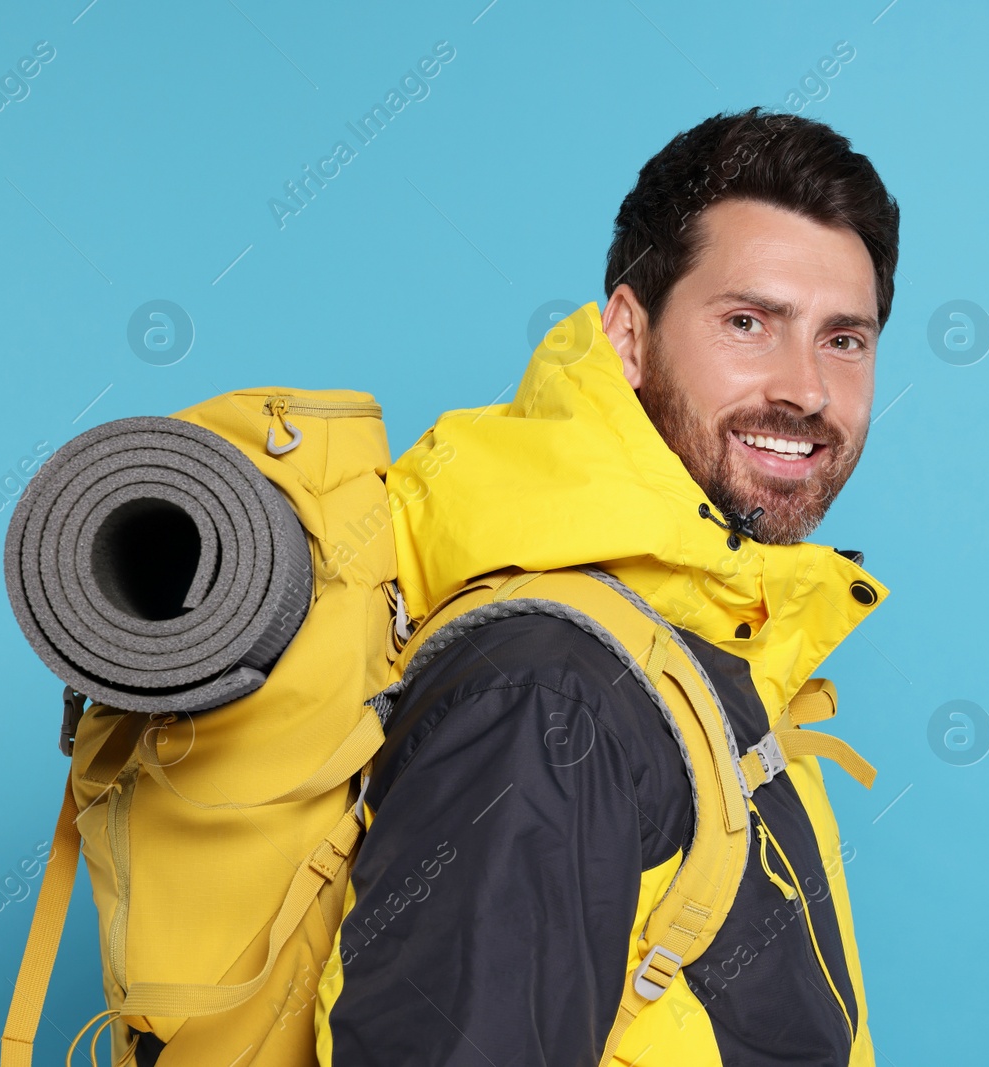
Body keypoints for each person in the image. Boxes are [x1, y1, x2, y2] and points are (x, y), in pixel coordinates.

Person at [317, 106, 900, 1066]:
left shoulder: (702, 638)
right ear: (626, 336)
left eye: (845, 339)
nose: (806, 388)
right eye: (748, 323)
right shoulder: (549, 700)